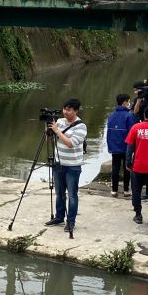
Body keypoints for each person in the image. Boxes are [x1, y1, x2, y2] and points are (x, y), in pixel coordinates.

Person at [45, 97, 87, 235]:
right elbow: (50, 140)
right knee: (59, 193)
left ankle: (71, 221)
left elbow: (70, 143)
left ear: (76, 111)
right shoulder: (60, 122)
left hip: (72, 166)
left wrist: (57, 131)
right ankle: (59, 217)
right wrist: (49, 131)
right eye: (64, 109)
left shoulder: (81, 126)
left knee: (72, 195)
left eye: (69, 110)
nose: (65, 112)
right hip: (58, 163)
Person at [105, 93, 135, 197]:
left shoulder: (111, 115)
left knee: (115, 168)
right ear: (124, 102)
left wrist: (110, 145)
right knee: (127, 168)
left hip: (114, 146)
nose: (129, 103)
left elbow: (109, 132)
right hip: (126, 146)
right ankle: (126, 190)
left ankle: (114, 190)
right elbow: (132, 132)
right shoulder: (129, 116)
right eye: (128, 101)